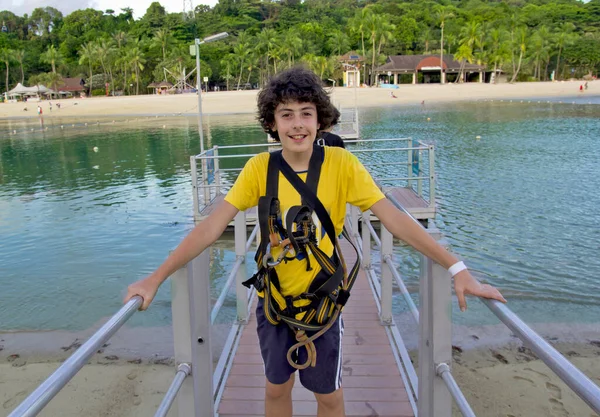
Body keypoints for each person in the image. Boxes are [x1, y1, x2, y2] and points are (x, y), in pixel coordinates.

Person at [123, 67, 506, 417]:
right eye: (286, 115)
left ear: (320, 118)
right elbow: (210, 228)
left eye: (306, 112)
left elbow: (394, 219)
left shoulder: (342, 165)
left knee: (329, 397)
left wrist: (456, 266)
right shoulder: (259, 169)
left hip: (324, 307)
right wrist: (155, 277)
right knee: (275, 390)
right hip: (273, 304)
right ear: (272, 123)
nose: (297, 124)